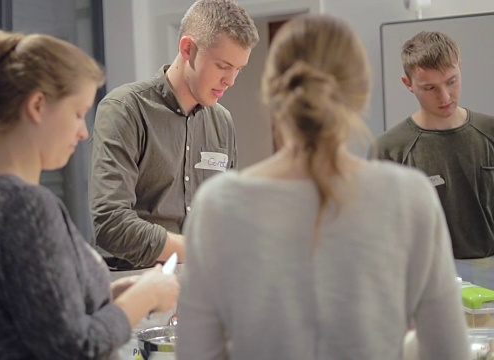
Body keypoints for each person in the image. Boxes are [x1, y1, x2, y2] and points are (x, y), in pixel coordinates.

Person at [177, 14, 469, 359]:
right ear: (360, 95)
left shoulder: (219, 204)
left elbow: (197, 353)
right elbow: (447, 350)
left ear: (272, 93)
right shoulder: (409, 197)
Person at [0, 30, 179, 360]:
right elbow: (72, 347)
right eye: (77, 113)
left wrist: (112, 297)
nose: (83, 131)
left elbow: (38, 320)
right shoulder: (25, 207)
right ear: (38, 105)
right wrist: (145, 296)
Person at [89, 0, 259, 269]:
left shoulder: (222, 122)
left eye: (238, 69)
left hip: (204, 284)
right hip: (135, 285)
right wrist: (196, 250)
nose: (231, 80)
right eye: (223, 66)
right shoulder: (126, 109)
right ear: (188, 48)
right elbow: (111, 223)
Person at [375, 31, 494, 259]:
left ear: (460, 66)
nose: (445, 97)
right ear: (408, 84)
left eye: (452, 81)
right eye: (430, 88)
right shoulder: (388, 150)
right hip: (428, 281)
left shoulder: (490, 132)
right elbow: (380, 236)